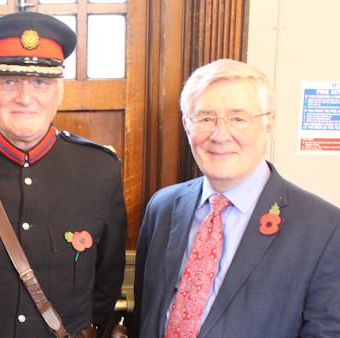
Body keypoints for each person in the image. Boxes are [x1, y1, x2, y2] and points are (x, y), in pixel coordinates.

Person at [0, 11, 128, 337]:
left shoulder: (100, 171)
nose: (25, 97)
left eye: (40, 82)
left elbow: (106, 283)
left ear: (59, 90)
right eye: (8, 81)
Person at [133, 59, 340, 337]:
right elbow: (145, 313)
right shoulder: (163, 207)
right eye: (205, 118)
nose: (220, 135)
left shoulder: (323, 228)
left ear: (268, 126)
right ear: (186, 125)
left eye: (238, 118)